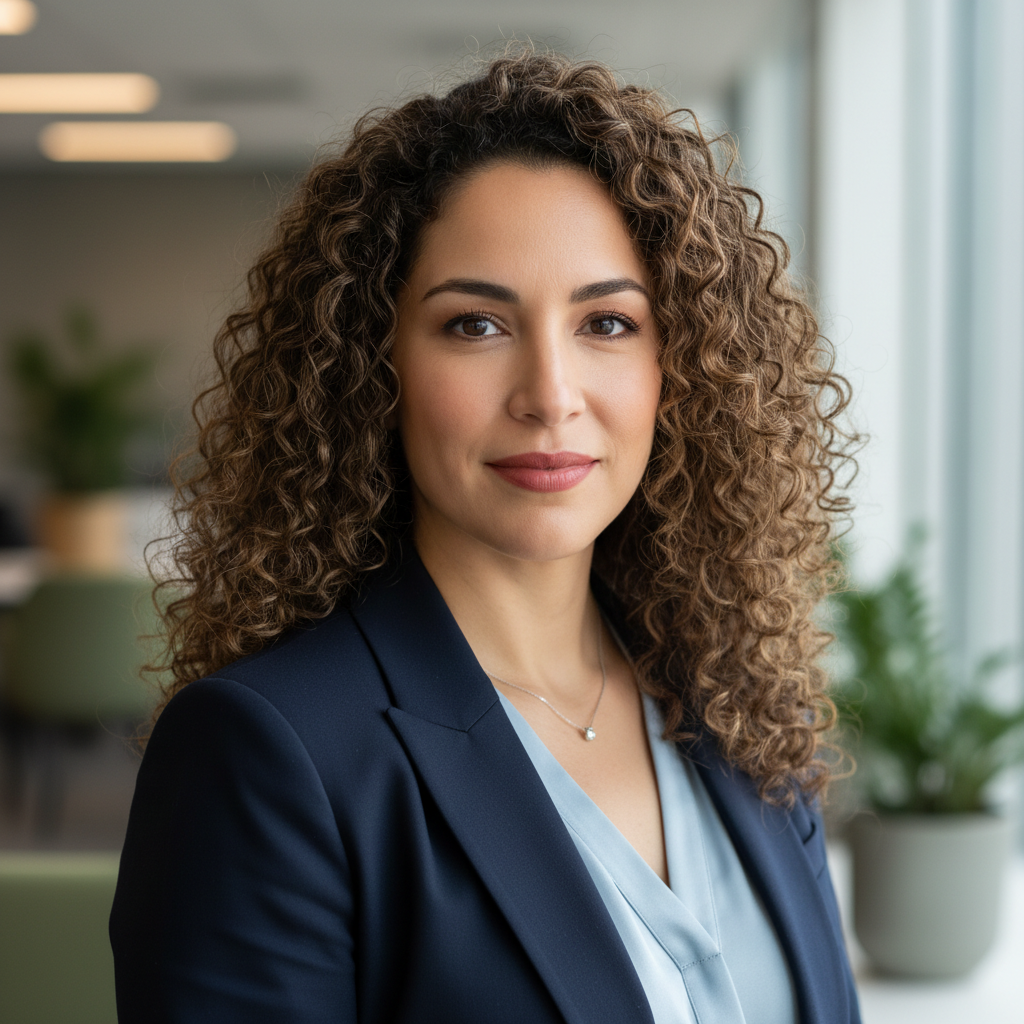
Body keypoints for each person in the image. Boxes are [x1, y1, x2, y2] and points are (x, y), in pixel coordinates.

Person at [110, 48, 861, 1024]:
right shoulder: (267, 751)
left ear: (680, 365)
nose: (550, 396)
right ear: (371, 364)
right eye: (475, 325)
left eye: (606, 323)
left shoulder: (731, 706)